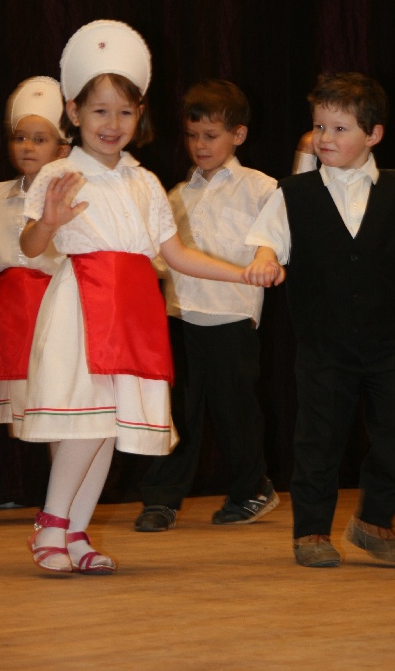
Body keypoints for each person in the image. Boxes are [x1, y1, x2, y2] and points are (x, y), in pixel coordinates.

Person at [18, 21, 283, 575]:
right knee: (87, 421)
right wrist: (48, 222)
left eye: (124, 111)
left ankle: (75, 533)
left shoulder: (144, 182)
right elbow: (31, 246)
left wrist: (243, 274)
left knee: (109, 428)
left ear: (139, 114)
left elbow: (177, 254)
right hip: (83, 307)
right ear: (73, 111)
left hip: (134, 310)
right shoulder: (60, 174)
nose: (112, 124)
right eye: (99, 111)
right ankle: (51, 522)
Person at [244, 71, 395, 568]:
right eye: (320, 127)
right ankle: (311, 531)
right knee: (320, 436)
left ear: (373, 134)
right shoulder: (294, 192)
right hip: (323, 342)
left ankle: (373, 520)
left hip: (389, 343)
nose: (325, 138)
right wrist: (265, 260)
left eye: (340, 128)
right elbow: (268, 240)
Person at [135, 80, 279, 533]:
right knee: (176, 411)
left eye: (211, 136)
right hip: (178, 315)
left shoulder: (260, 187)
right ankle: (161, 500)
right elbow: (161, 258)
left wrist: (266, 257)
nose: (200, 145)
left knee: (234, 410)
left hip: (230, 315)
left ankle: (250, 489)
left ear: (238, 134)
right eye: (192, 135)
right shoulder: (177, 194)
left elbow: (275, 239)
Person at [0, 77, 67, 477]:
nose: (27, 146)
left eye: (39, 139)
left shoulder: (71, 197)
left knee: (56, 409)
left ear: (62, 149)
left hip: (52, 308)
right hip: (0, 312)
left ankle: (64, 503)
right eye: (20, 138)